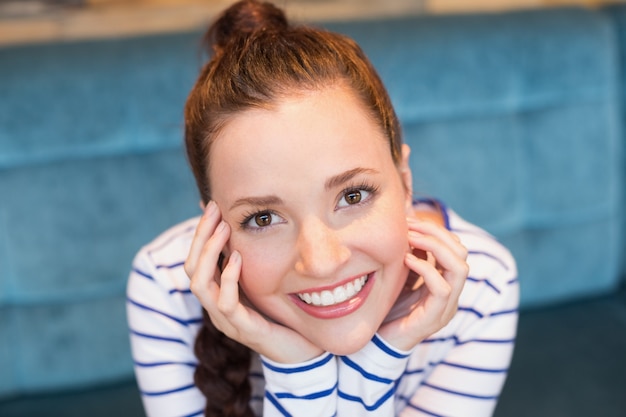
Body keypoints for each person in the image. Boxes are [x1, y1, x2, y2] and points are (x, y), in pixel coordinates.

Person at [126, 1, 519, 416]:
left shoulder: (482, 283)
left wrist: (379, 358)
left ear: (404, 181)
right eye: (263, 218)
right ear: (213, 226)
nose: (322, 262)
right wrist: (297, 370)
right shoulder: (166, 288)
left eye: (352, 196)